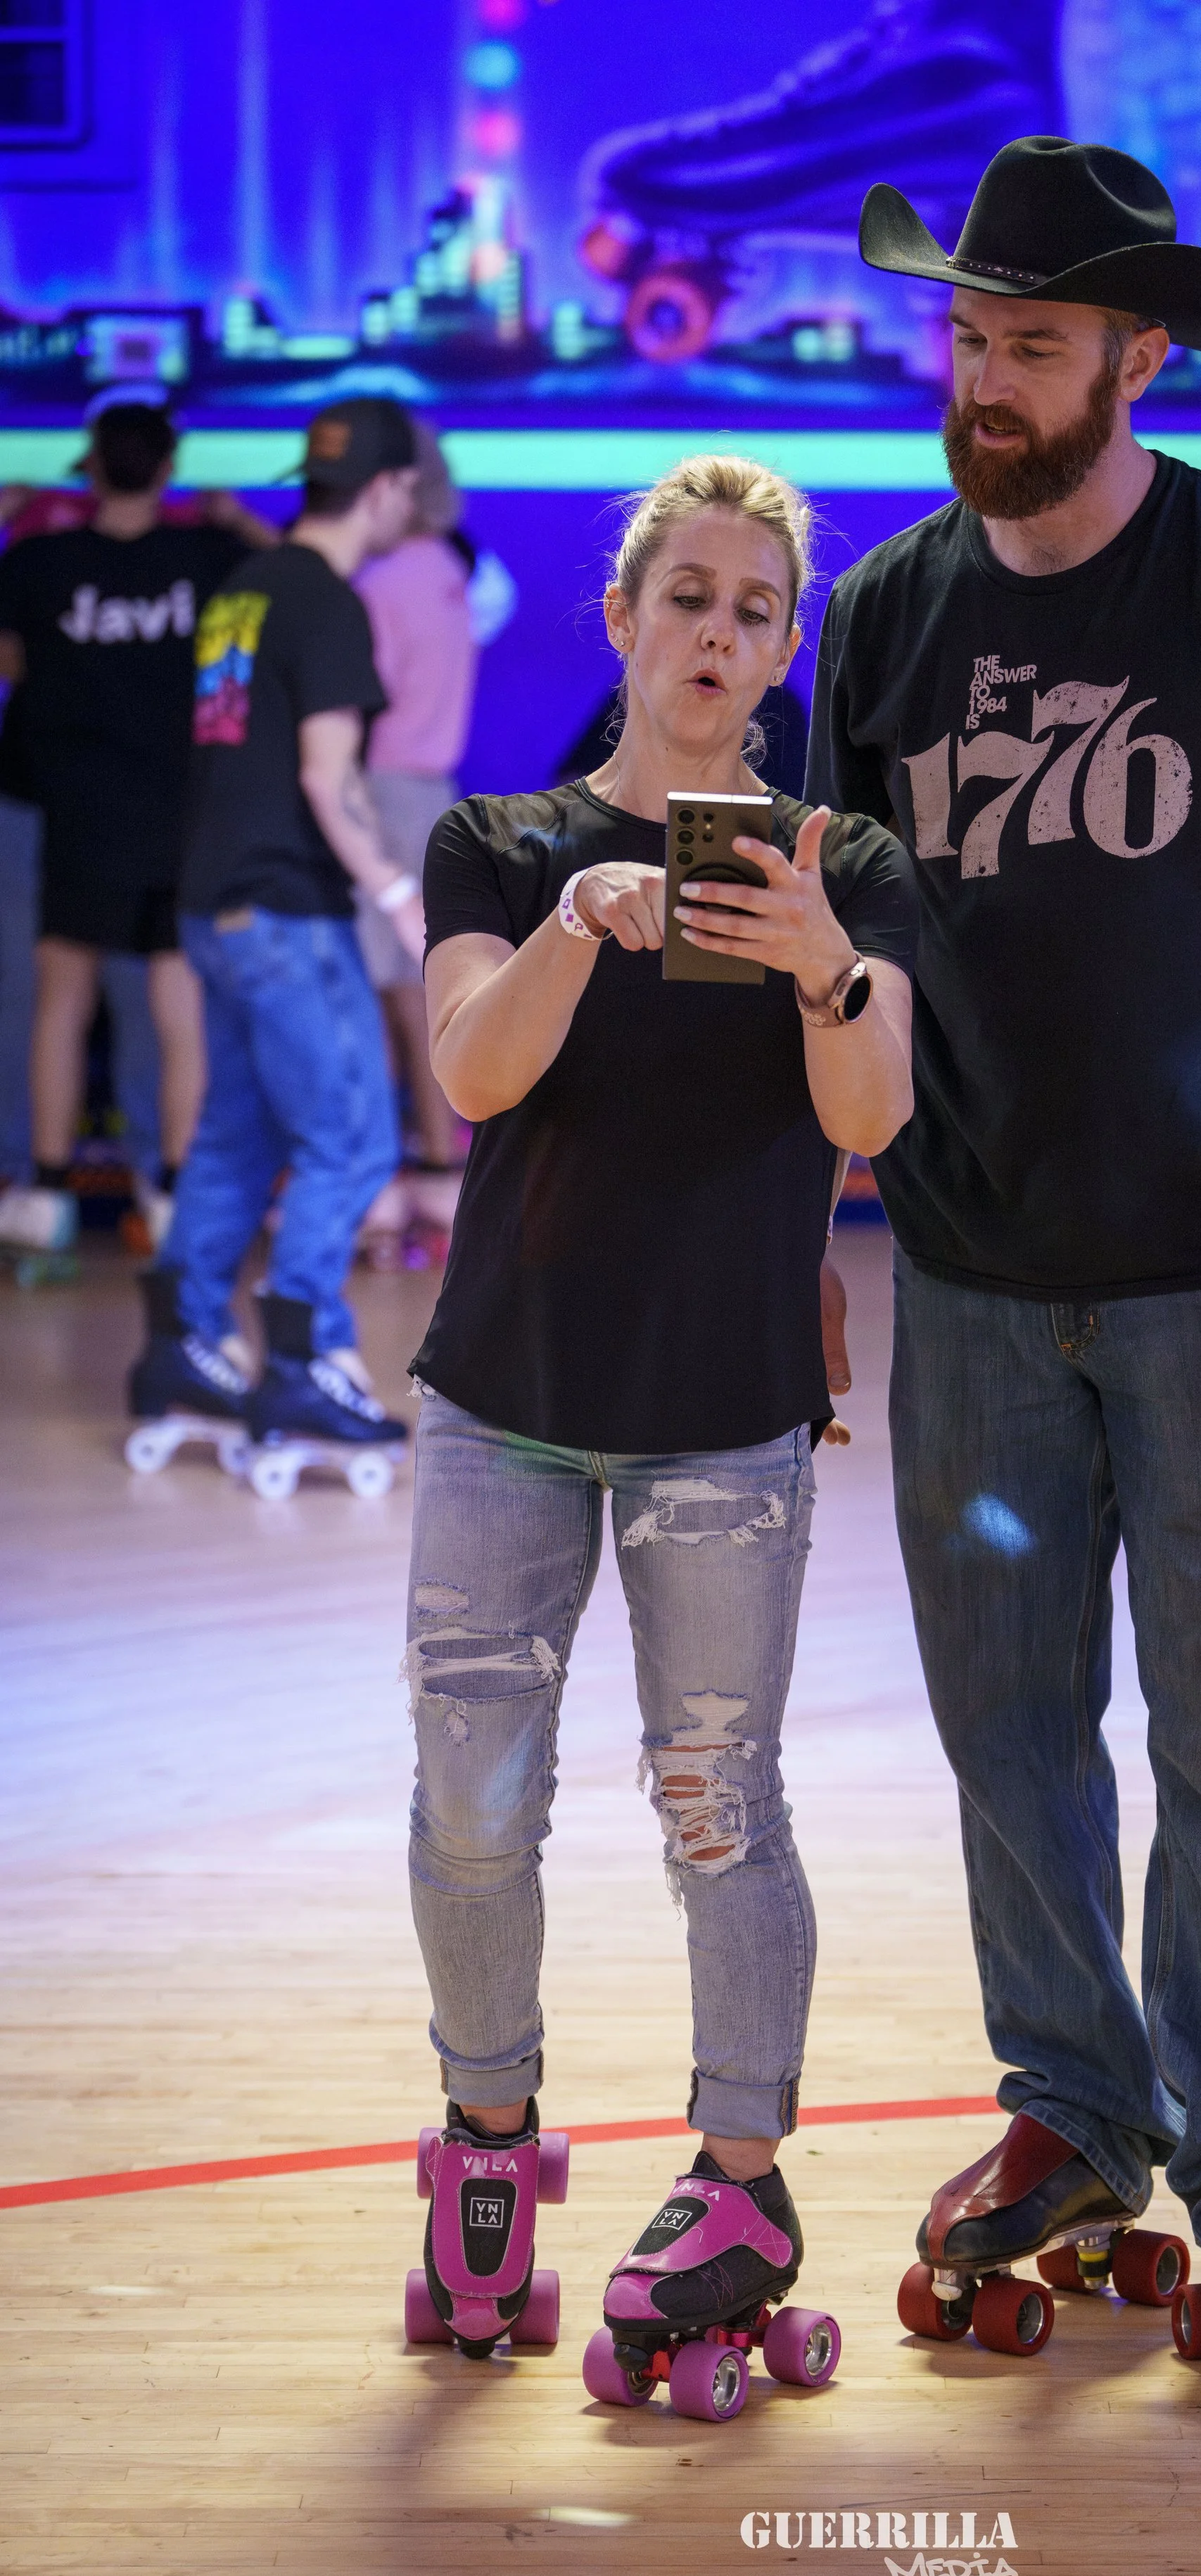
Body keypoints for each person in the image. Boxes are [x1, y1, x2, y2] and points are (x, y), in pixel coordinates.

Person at [807, 138, 1201, 2393]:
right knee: (1009, 1731)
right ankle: (1067, 2110)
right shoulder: (877, 620)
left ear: (1139, 357)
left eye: (1029, 345)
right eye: (963, 337)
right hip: (964, 1273)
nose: (981, 380)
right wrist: (808, 1238)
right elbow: (824, 963)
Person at [401, 454, 915, 2367]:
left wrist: (822, 968)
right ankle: (487, 2136)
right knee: (473, 1806)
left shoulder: (838, 866)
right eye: (684, 595)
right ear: (622, 619)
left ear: (785, 651)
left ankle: (739, 2167)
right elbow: (471, 1069)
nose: (715, 632)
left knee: (717, 1804)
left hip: (721, 1416)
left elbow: (874, 1116)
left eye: (752, 608)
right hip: (506, 1401)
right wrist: (575, 923)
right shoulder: (499, 840)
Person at [128, 398, 426, 1451]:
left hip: (212, 908)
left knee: (236, 1137)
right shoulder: (327, 603)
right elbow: (326, 776)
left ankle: (181, 1342)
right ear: (388, 489)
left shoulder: (240, 593)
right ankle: (300, 1359)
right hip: (286, 913)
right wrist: (401, 897)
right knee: (352, 1137)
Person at [0, 405, 250, 1257]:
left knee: (59, 1003)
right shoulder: (209, 557)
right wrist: (232, 515)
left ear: (88, 466)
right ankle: (175, 1192)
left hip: (73, 813)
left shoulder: (39, 561)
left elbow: (11, 665)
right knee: (179, 1007)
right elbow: (297, 576)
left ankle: (44, 1191)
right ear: (169, 465)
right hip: (177, 814)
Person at [352, 421, 477, 1257]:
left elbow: (358, 700)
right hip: (431, 790)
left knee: (373, 993)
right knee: (416, 994)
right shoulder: (447, 572)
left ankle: (376, 1187)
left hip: (377, 791)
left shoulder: (378, 579)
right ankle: (437, 1167)